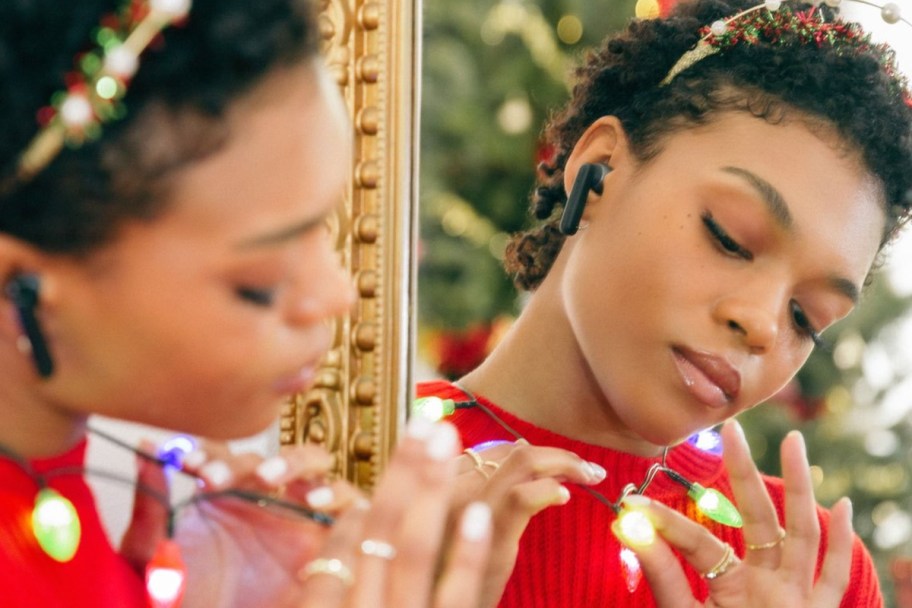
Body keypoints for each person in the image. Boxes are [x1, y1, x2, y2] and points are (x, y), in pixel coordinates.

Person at [0, 0, 518, 606]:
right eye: (262, 281)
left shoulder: (47, 478)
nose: (337, 294)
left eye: (323, 230)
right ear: (23, 286)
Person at [417, 0, 912, 606]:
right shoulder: (366, 453)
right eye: (728, 237)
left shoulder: (804, 570)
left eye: (806, 318)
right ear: (600, 168)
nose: (760, 324)